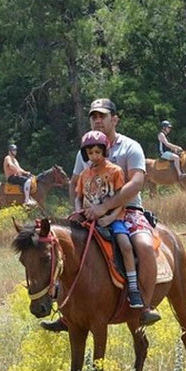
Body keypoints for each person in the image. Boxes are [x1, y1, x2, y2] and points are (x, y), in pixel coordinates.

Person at [43, 98, 160, 332]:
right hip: (89, 211)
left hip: (127, 210)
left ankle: (143, 304)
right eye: (93, 117)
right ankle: (66, 308)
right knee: (63, 245)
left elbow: (136, 182)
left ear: (114, 119)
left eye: (102, 116)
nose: (97, 120)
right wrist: (77, 211)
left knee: (143, 246)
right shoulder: (86, 149)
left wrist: (105, 208)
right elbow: (74, 182)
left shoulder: (130, 147)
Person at [74, 130, 144, 309]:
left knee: (125, 245)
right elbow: (78, 196)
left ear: (105, 151)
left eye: (97, 152)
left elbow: (122, 197)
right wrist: (78, 212)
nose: (94, 156)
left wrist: (112, 216)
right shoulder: (84, 175)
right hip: (89, 219)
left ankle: (134, 288)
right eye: (90, 153)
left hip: (113, 218)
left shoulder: (115, 171)